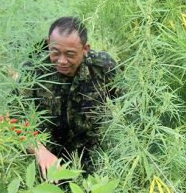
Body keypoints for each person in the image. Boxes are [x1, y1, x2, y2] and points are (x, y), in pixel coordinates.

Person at [25, 17, 118, 177]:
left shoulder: (103, 67)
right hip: (47, 160)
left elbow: (131, 106)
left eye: (70, 54)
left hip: (92, 158)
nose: (62, 61)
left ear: (85, 49)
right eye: (55, 52)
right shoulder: (33, 69)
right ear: (48, 43)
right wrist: (39, 150)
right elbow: (14, 120)